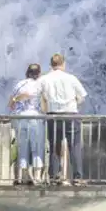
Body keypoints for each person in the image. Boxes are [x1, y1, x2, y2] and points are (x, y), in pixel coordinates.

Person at [39, 53, 88, 185]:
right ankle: (77, 177)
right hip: (70, 114)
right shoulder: (71, 78)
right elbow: (82, 96)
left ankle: (54, 176)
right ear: (63, 64)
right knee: (75, 146)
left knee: (55, 147)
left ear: (51, 65)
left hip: (53, 115)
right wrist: (74, 102)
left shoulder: (44, 79)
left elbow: (40, 96)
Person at [8, 63, 47, 185]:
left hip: (21, 118)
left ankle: (23, 176)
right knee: (37, 147)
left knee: (22, 147)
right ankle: (37, 176)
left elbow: (10, 104)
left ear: (27, 73)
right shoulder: (40, 85)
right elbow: (44, 106)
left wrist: (17, 99)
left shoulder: (19, 84)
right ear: (39, 73)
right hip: (35, 118)